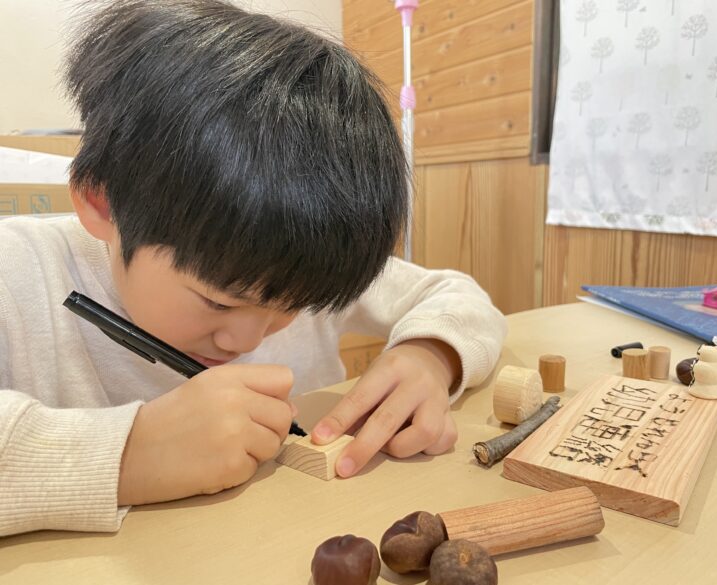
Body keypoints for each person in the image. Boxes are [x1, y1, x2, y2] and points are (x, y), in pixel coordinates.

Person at [0, 0, 506, 537]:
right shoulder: (19, 271)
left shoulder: (297, 265)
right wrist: (127, 455)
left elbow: (456, 295)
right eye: (218, 301)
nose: (245, 338)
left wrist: (431, 356)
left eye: (291, 309)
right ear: (102, 203)